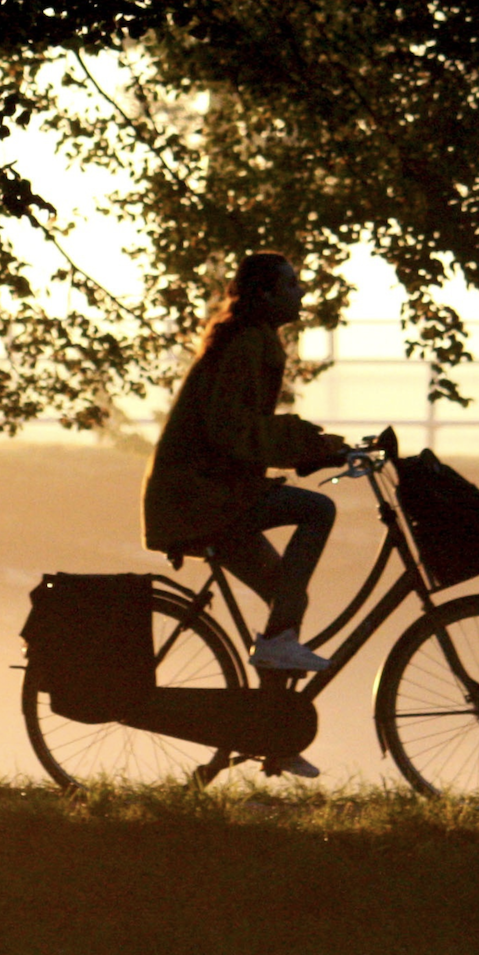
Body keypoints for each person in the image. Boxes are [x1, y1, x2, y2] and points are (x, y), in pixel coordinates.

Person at [141, 253, 348, 774]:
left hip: (207, 496)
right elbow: (231, 431)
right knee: (318, 510)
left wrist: (313, 443)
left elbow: (242, 429)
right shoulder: (249, 343)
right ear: (265, 295)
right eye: (292, 286)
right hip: (201, 498)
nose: (301, 295)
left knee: (287, 594)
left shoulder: (249, 339)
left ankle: (273, 734)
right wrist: (304, 444)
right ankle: (278, 647)